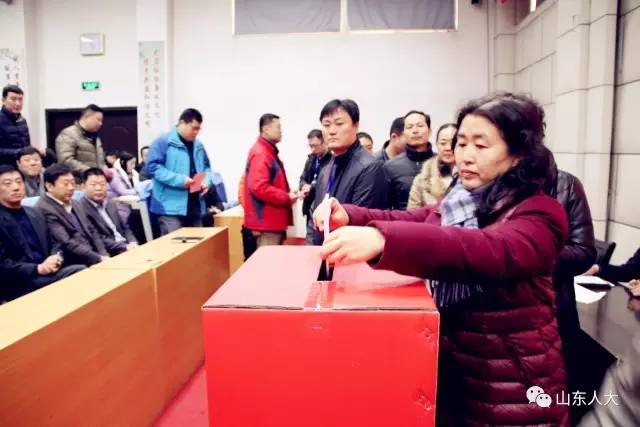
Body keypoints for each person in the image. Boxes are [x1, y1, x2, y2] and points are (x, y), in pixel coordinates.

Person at [314, 93, 570, 426]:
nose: (466, 155)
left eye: (481, 145)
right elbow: (419, 219)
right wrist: (350, 215)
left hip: (513, 385)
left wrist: (383, 241)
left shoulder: (539, 212)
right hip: (461, 372)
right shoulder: (461, 199)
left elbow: (486, 250)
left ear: (518, 154)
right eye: (461, 143)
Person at [0, 165, 85, 303]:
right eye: (7, 183)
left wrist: (56, 257)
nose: (16, 187)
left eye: (19, 182)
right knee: (79, 273)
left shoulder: (35, 212)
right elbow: (3, 264)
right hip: (23, 280)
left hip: (49, 271)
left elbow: (55, 242)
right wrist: (38, 268)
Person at [309, 99, 387, 245]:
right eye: (326, 125)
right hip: (323, 250)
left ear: (356, 126)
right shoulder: (327, 166)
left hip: (348, 251)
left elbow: (362, 223)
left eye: (339, 124)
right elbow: (314, 212)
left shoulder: (370, 167)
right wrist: (312, 247)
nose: (332, 131)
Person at [146, 108, 212, 235]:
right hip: (169, 208)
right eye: (194, 128)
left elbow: (207, 168)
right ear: (182, 123)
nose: (196, 132)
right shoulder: (163, 142)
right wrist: (181, 180)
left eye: (199, 129)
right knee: (174, 245)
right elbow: (153, 168)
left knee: (198, 245)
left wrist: (206, 181)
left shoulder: (198, 145)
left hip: (194, 205)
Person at [36, 164, 118, 266]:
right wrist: (99, 258)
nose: (71, 188)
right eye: (66, 184)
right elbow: (66, 242)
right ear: (49, 186)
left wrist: (104, 254)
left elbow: (93, 232)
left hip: (95, 256)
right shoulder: (44, 208)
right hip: (74, 260)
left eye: (72, 183)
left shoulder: (75, 203)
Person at [243, 113, 299, 248]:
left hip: (270, 222)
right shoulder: (261, 153)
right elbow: (259, 187)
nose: (281, 131)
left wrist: (288, 194)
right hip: (266, 224)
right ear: (265, 129)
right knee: (267, 260)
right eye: (278, 127)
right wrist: (286, 197)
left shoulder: (268, 151)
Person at [383, 110, 434, 210]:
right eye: (409, 127)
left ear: (429, 131)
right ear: (404, 133)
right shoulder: (390, 167)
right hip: (404, 218)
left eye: (420, 125)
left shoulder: (441, 163)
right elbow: (385, 208)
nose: (415, 130)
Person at [80, 168, 137, 250]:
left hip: (128, 246)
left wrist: (133, 242)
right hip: (111, 251)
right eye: (93, 184)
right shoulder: (82, 209)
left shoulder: (110, 203)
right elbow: (97, 238)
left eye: (102, 184)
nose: (99, 188)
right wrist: (125, 247)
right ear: (83, 186)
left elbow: (125, 227)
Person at [407, 123, 457, 209]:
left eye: (453, 143)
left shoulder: (472, 178)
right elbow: (412, 213)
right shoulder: (422, 180)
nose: (448, 148)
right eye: (443, 143)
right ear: (437, 145)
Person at [299, 129, 331, 243]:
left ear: (324, 142)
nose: (312, 149)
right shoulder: (311, 159)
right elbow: (302, 178)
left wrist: (311, 187)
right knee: (310, 237)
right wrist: (303, 186)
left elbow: (326, 182)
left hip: (323, 205)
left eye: (315, 146)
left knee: (322, 239)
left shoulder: (331, 159)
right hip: (309, 204)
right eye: (310, 146)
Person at [55, 104, 106, 176]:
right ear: (87, 117)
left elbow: (100, 161)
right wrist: (89, 171)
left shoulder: (95, 137)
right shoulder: (68, 134)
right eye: (98, 120)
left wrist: (104, 168)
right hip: (77, 180)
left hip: (94, 180)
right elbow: (65, 160)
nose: (100, 124)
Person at [108, 151, 139, 223]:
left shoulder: (131, 175)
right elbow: (123, 191)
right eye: (131, 163)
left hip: (125, 207)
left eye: (134, 163)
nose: (134, 166)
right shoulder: (114, 174)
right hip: (116, 209)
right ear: (123, 163)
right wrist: (140, 190)